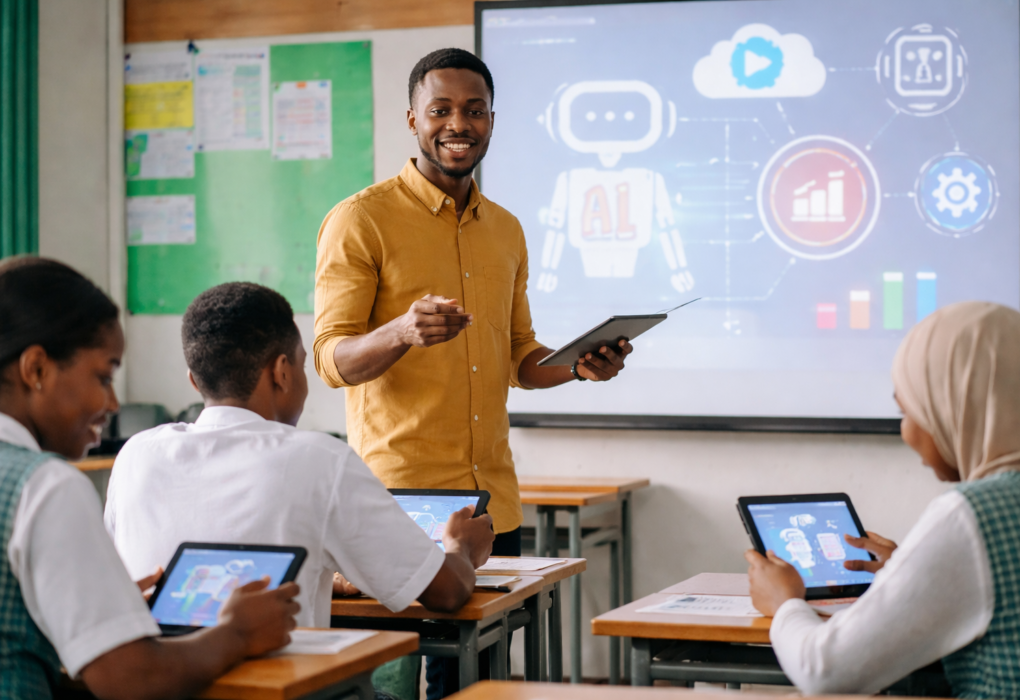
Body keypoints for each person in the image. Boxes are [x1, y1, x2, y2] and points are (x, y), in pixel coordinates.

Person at [313, 47, 634, 695]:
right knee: (398, 682)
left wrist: (579, 366)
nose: (458, 124)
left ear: (492, 120)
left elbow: (521, 361)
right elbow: (331, 362)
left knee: (482, 681)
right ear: (412, 119)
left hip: (492, 503)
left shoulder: (507, 231)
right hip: (400, 502)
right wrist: (403, 330)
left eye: (474, 110)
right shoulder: (361, 219)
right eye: (441, 110)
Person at [105, 282, 495, 631]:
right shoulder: (320, 460)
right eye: (304, 365)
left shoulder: (136, 455)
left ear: (194, 380)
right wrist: (460, 548)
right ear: (282, 372)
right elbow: (445, 592)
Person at [0, 258, 299, 700]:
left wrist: (104, 621)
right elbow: (131, 679)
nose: (114, 402)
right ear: (37, 369)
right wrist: (237, 633)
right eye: (103, 376)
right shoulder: (44, 486)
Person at [745, 301, 1020, 698]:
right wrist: (917, 572)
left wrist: (786, 603)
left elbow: (825, 672)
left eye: (907, 412)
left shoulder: (971, 515)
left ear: (955, 410)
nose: (905, 433)